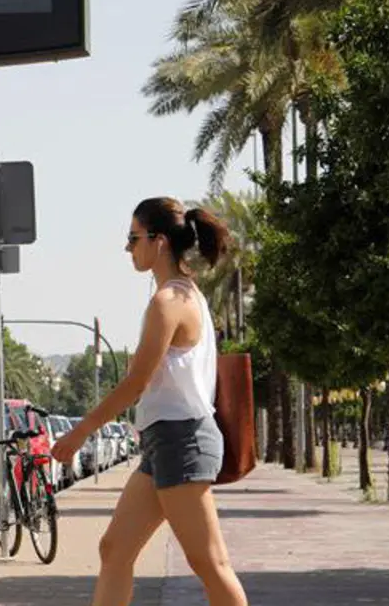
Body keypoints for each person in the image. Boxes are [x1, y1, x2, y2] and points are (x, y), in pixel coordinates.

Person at [52, 197, 249, 606]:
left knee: (210, 564)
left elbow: (136, 383)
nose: (127, 248)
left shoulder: (170, 302)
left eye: (133, 238)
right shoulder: (180, 294)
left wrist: (79, 433)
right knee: (115, 550)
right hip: (165, 440)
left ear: (159, 241)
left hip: (184, 438)